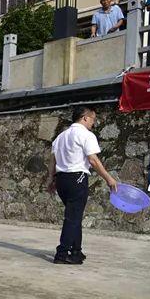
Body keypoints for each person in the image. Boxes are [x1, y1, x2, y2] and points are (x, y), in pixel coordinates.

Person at [47, 107, 117, 265]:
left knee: (74, 216)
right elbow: (93, 160)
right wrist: (108, 178)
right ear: (85, 118)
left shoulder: (60, 137)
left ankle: (76, 251)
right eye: (93, 119)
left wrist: (50, 180)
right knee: (72, 217)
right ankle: (62, 253)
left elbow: (52, 160)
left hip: (62, 180)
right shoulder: (86, 135)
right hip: (76, 178)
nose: (94, 122)